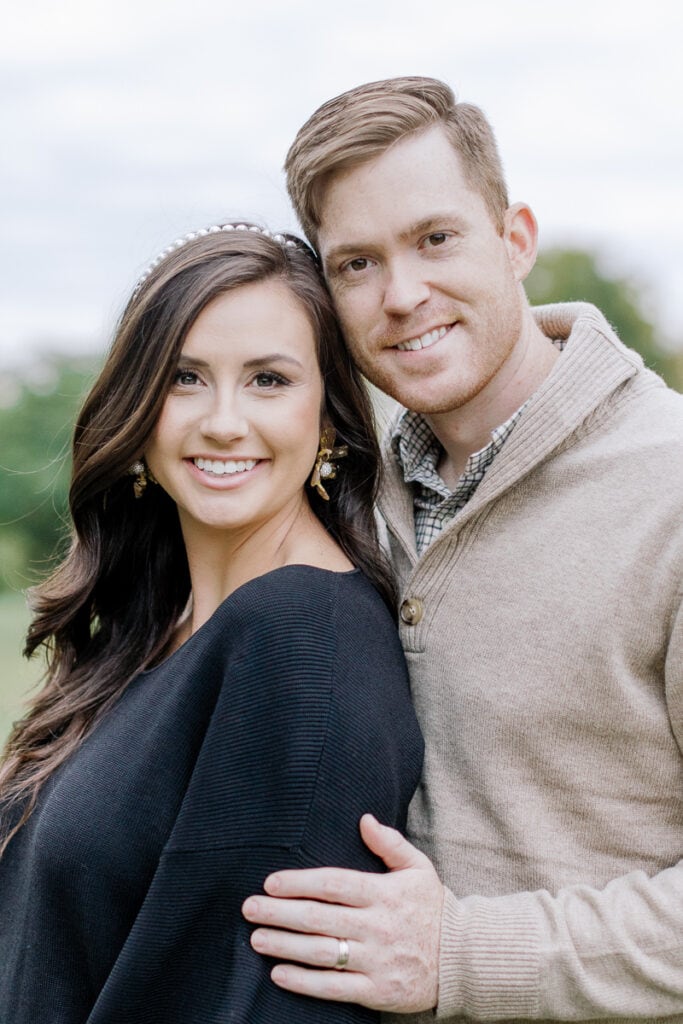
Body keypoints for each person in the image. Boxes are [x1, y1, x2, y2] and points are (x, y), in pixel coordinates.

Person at [241, 78, 683, 1022]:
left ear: (515, 239)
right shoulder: (338, 495)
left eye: (435, 239)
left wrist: (462, 955)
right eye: (355, 264)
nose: (401, 296)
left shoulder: (669, 490)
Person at [0, 223, 424, 1023]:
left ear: (328, 416)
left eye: (268, 380)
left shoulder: (299, 640)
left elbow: (249, 999)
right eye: (185, 378)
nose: (223, 421)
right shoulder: (154, 629)